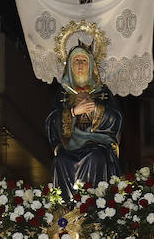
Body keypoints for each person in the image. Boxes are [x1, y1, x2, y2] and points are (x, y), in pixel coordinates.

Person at [44, 42, 122, 199]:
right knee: (60, 160)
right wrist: (73, 112)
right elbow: (51, 123)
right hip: (69, 147)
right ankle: (67, 209)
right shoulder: (61, 94)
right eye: (76, 61)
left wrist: (97, 110)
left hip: (97, 146)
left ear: (91, 66)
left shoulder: (103, 93)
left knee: (95, 157)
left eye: (84, 60)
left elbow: (116, 121)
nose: (80, 65)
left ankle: (92, 209)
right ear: (70, 66)